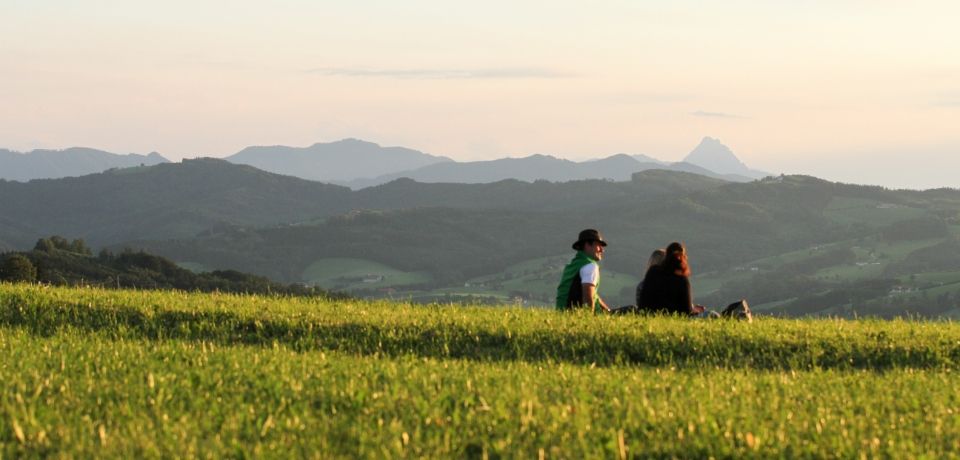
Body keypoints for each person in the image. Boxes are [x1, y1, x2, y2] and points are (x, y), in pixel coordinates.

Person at [638, 242, 703, 315]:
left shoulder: (653, 272)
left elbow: (642, 303)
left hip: (648, 315)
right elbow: (686, 311)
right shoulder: (682, 280)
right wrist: (695, 311)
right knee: (713, 314)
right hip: (672, 316)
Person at [556, 229, 611, 314]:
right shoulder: (590, 266)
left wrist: (608, 311)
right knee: (633, 309)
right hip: (577, 316)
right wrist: (587, 320)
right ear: (587, 245)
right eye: (599, 245)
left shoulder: (573, 266)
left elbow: (594, 295)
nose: (602, 250)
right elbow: (588, 297)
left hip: (562, 313)